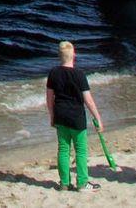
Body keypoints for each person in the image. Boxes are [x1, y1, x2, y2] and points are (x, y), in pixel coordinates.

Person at [45, 39, 105, 193]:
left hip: (60, 115)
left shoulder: (53, 73)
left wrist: (52, 116)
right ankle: (82, 183)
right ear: (74, 55)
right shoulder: (79, 74)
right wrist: (97, 117)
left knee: (63, 150)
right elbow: (88, 100)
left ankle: (64, 183)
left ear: (59, 56)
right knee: (81, 151)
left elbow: (49, 98)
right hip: (76, 118)